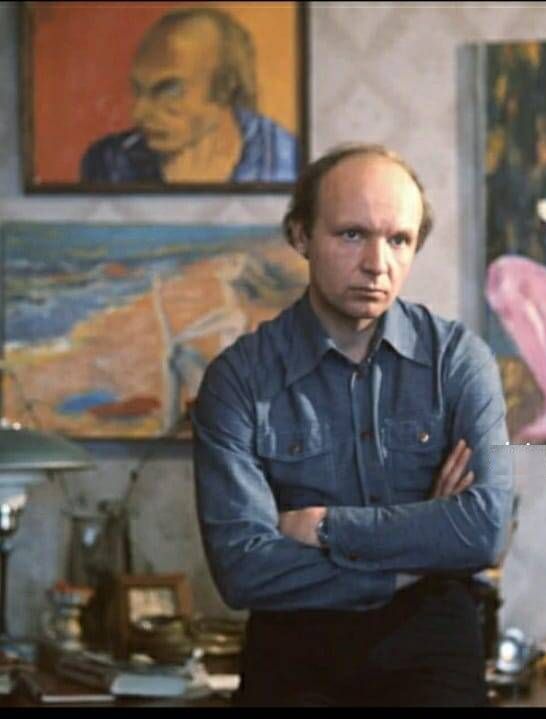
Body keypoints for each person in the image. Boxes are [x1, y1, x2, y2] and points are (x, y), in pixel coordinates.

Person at [192, 143, 514, 706]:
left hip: (434, 649)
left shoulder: (458, 360)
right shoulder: (238, 380)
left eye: (399, 240)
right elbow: (243, 569)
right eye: (351, 234)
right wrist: (415, 559)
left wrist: (324, 526)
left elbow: (485, 530)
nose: (377, 264)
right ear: (301, 236)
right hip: (294, 656)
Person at [80, 8, 299, 184]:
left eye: (169, 90)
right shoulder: (108, 161)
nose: (139, 113)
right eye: (138, 90)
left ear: (225, 89)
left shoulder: (287, 158)